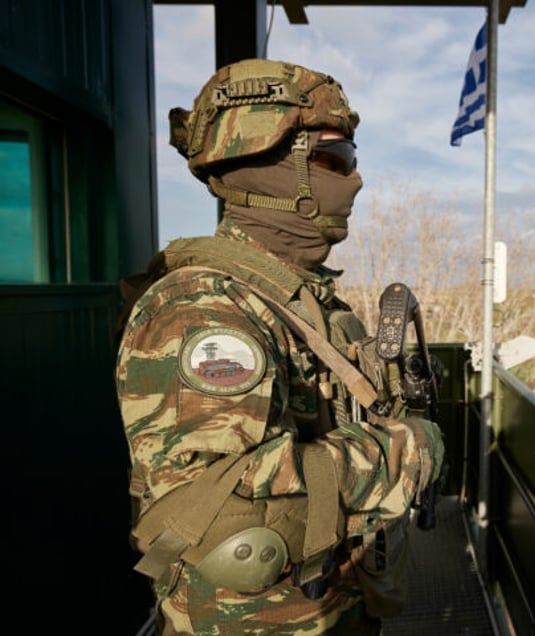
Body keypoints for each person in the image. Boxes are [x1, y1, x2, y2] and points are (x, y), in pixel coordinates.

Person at [116, 58, 445, 635]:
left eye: (352, 159)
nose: (356, 179)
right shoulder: (205, 307)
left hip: (328, 604)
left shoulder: (291, 296)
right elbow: (222, 519)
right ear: (265, 166)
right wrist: (406, 453)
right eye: (334, 159)